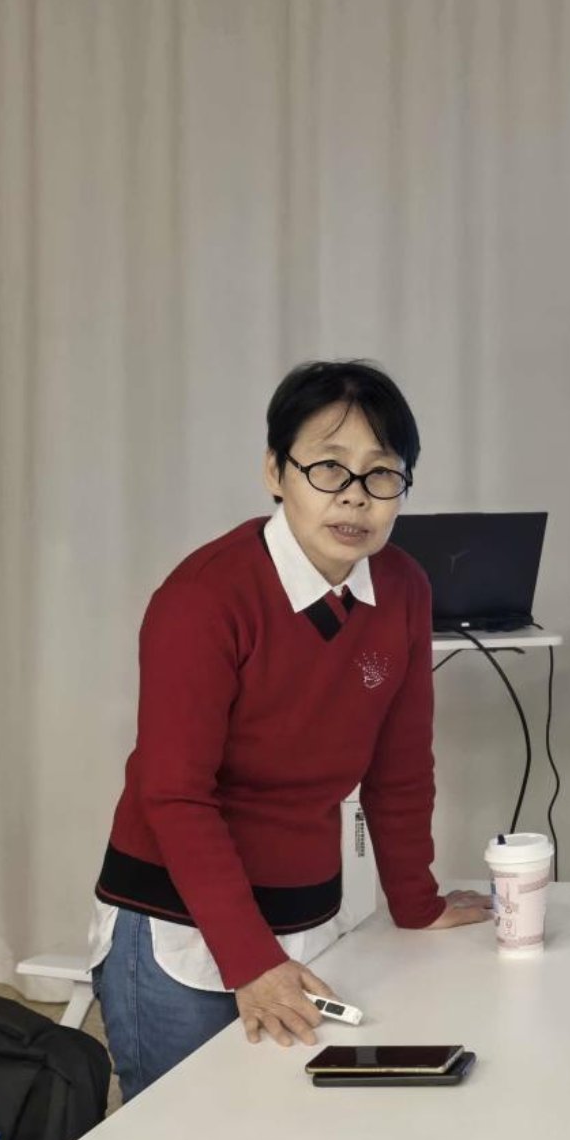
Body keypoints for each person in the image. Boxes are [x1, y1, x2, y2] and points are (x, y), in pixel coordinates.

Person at [87, 360, 488, 1101]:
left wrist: (417, 901)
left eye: (381, 473)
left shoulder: (402, 586)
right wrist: (251, 961)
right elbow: (175, 795)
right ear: (276, 471)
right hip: (180, 921)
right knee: (187, 1128)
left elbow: (401, 768)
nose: (355, 496)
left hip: (310, 911)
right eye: (328, 468)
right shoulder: (205, 596)